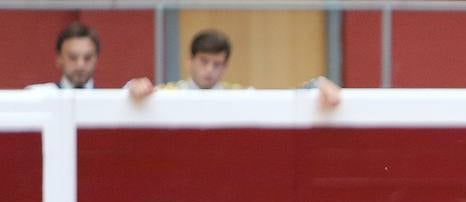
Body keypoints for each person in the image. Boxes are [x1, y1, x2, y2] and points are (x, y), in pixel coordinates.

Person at [127, 29, 342, 107]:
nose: (210, 70)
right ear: (189, 61)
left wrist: (318, 83)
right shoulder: (167, 93)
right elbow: (125, 95)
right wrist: (133, 87)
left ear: (225, 67)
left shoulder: (240, 95)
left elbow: (283, 100)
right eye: (204, 62)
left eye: (217, 64)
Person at [27, 21, 100, 89]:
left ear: (96, 59)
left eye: (87, 58)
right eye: (73, 57)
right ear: (59, 59)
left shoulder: (109, 100)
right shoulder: (38, 97)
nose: (80, 65)